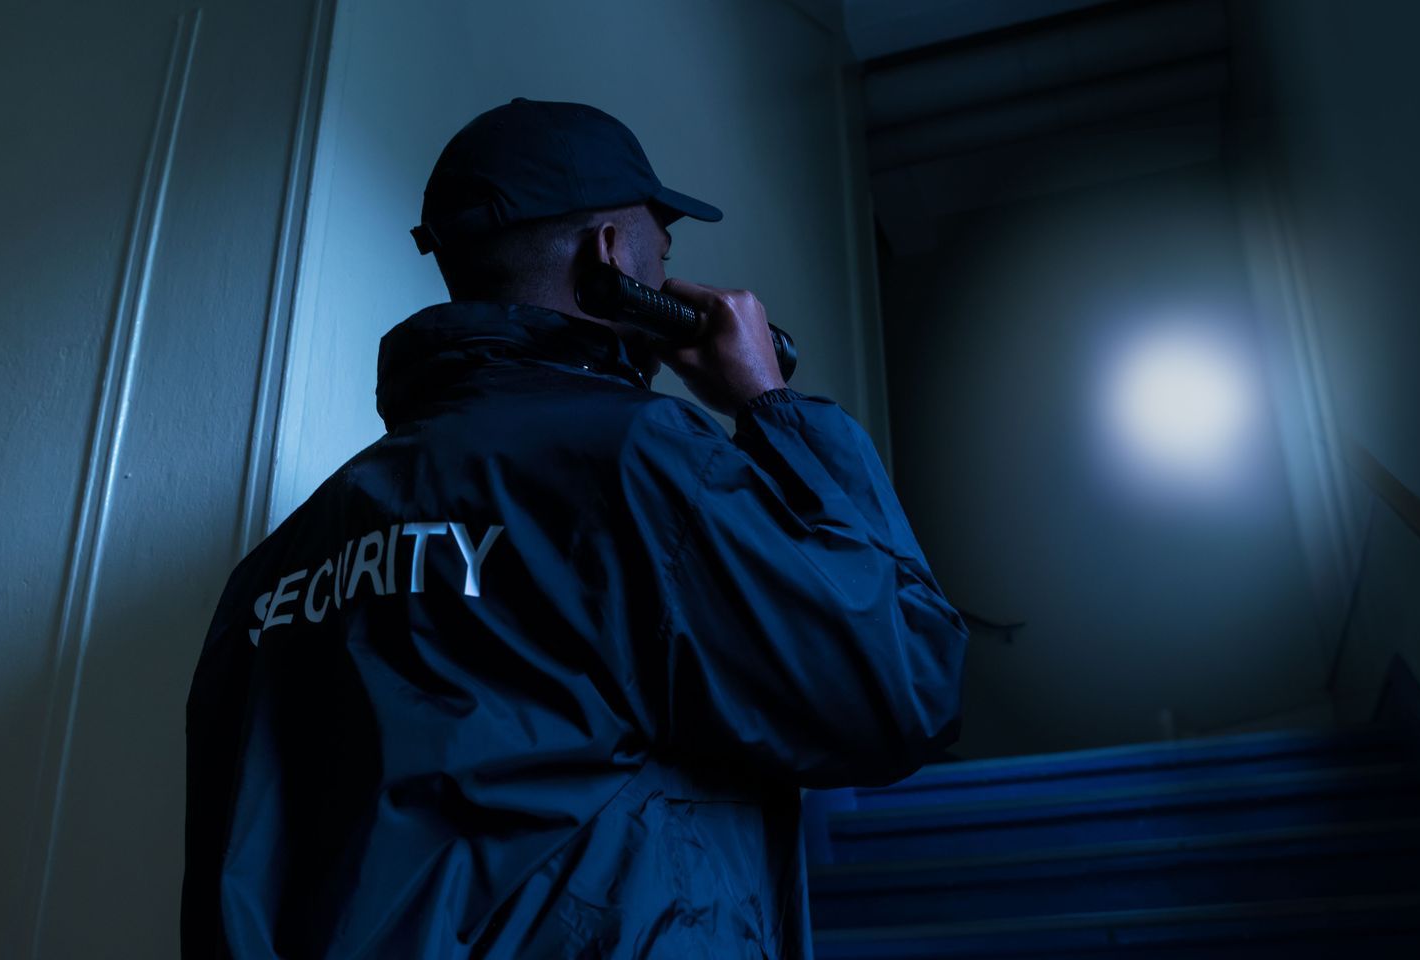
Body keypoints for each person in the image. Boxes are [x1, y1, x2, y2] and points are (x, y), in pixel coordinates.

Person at [182, 96, 969, 959]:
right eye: (661, 251)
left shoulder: (277, 565)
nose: (669, 273)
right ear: (610, 257)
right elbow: (903, 683)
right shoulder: (641, 462)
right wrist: (771, 408)